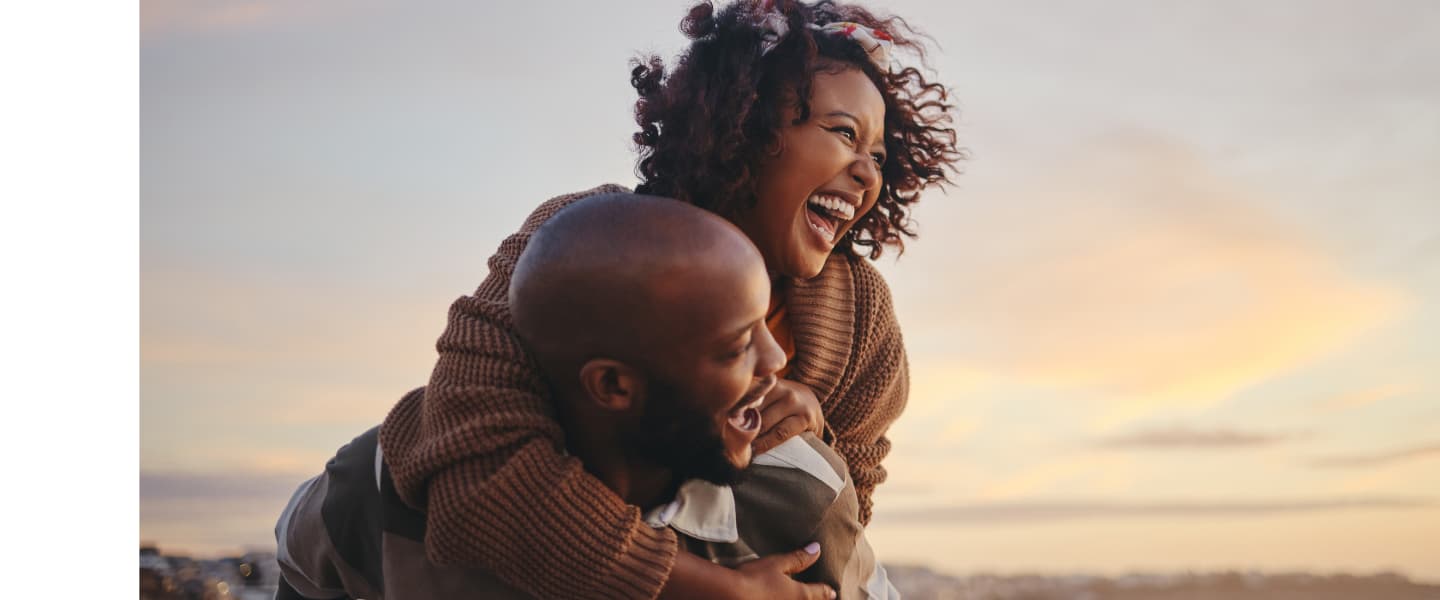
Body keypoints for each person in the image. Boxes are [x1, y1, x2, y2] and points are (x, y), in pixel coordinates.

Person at [379, 1, 962, 598]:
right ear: (749, 124)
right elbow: (476, 471)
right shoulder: (583, 241)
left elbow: (842, 515)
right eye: (844, 133)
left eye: (879, 156)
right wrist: (705, 589)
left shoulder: (861, 315)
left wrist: (816, 429)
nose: (868, 173)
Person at [275, 194, 894, 599]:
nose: (780, 362)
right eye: (736, 347)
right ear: (613, 384)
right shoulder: (377, 486)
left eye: (770, 322)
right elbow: (301, 571)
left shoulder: (800, 501)